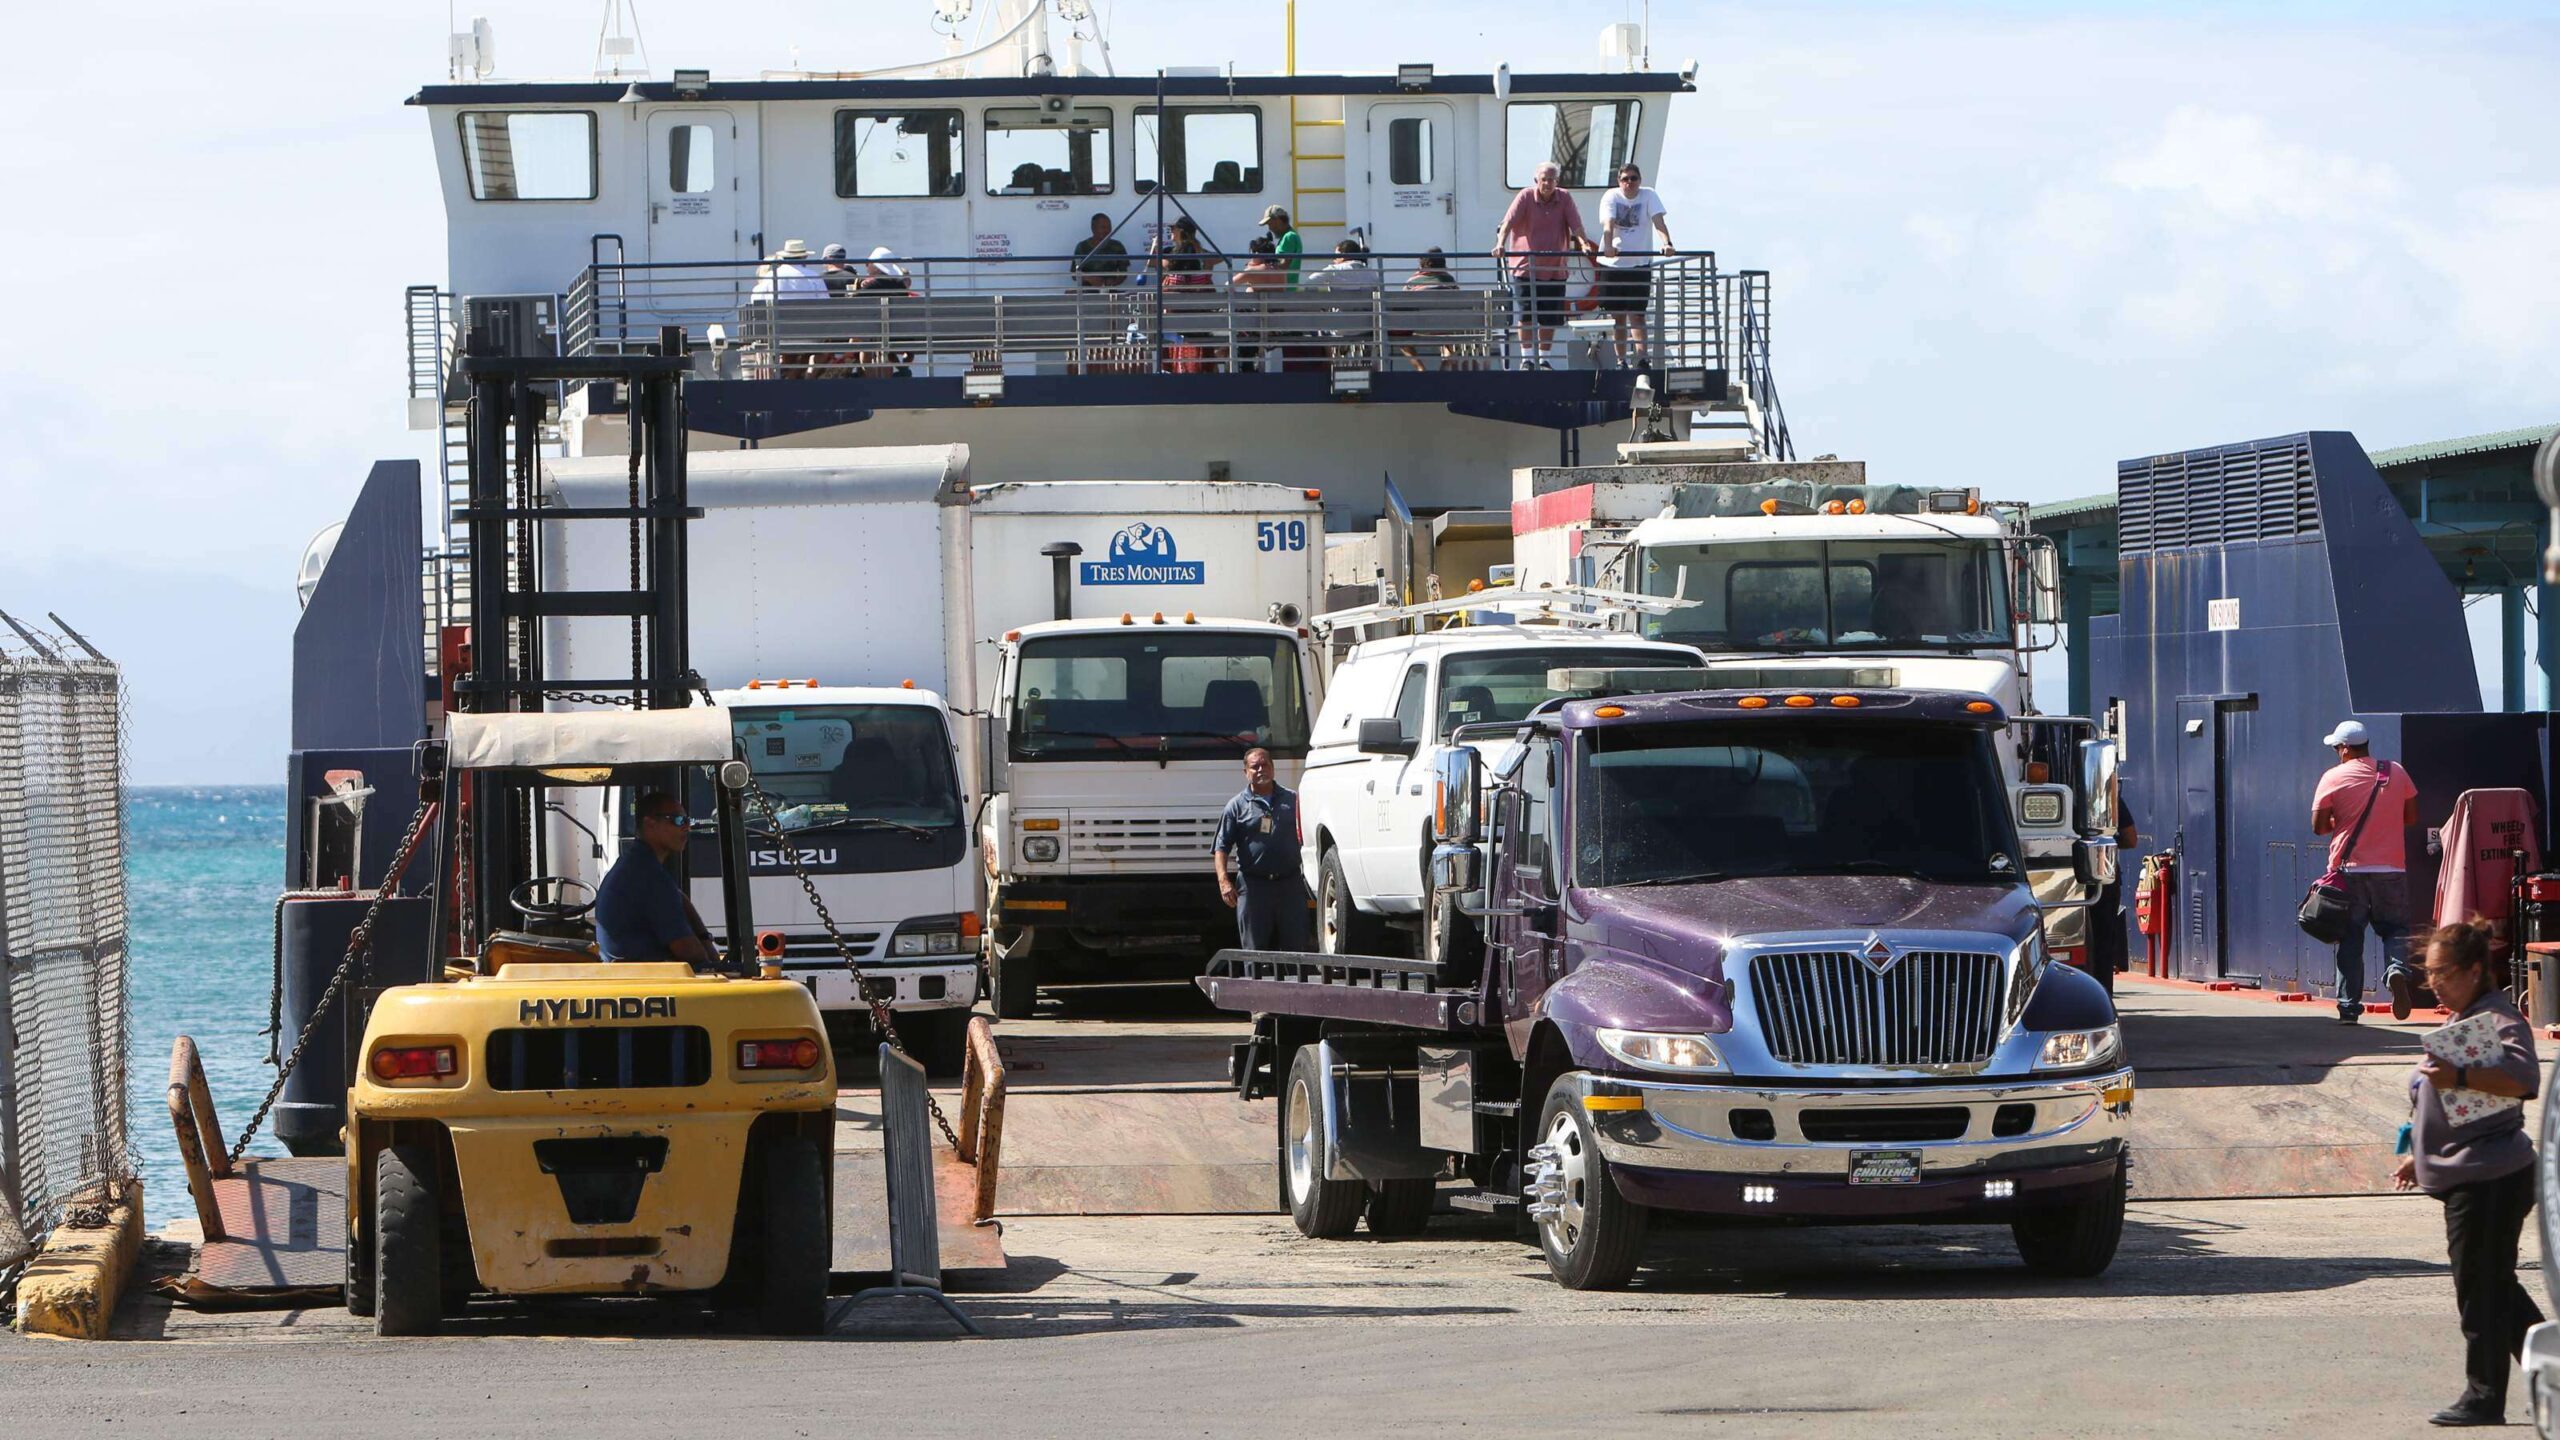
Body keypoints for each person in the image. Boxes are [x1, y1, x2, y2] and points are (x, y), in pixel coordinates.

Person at [2391, 919, 2543, 1427]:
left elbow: (2524, 1081)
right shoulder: (2466, 1017)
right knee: (2495, 1288)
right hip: (2469, 1173)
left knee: (2481, 1292)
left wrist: (2457, 1073)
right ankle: (2554, 1376)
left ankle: (2484, 1397)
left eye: (2443, 972)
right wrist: (2420, 1152)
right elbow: (2444, 1102)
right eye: (2428, 972)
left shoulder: (2499, 1019)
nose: (2432, 982)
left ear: (2475, 970)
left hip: (2492, 1177)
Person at [2312, 719, 2421, 1023]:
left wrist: (2341, 823)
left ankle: (2349, 1009)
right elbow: (2410, 816)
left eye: (2337, 747)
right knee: (2395, 929)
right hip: (2391, 869)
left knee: (2350, 938)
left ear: (2346, 748)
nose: (2337, 752)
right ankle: (2397, 970)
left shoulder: (2332, 778)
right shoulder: (2395, 772)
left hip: (2349, 871)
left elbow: (2319, 827)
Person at [593, 791, 720, 968]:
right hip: (643, 977)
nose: (686, 827)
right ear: (649, 824)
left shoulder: (637, 866)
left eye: (687, 821)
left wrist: (704, 936)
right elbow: (689, 951)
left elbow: (678, 898)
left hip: (635, 974)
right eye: (677, 820)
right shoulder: (647, 876)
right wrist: (712, 956)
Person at [1493, 161, 1591, 369]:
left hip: (1555, 268)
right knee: (1526, 314)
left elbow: (1576, 225)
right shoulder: (1526, 196)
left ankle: (1544, 359)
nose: (1547, 183)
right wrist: (1500, 244)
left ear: (1557, 181)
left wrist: (1583, 243)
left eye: (1551, 179)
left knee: (1550, 317)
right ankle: (1527, 359)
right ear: (1536, 180)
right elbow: (1507, 223)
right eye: (1544, 179)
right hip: (1525, 266)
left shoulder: (1564, 197)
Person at [1214, 748, 1312, 951]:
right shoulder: (1236, 806)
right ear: (1245, 772)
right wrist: (1224, 882)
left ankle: (1294, 984)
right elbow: (1221, 847)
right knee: (1254, 951)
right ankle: (1255, 984)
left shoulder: (1294, 800)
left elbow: (1310, 838)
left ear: (1273, 768)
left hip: (1290, 884)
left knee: (1297, 950)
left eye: (1264, 764)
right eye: (1254, 767)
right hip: (1253, 887)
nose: (1260, 770)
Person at [1595, 163, 1673, 367]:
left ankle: (1641, 358)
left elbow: (1658, 222)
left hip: (1639, 264)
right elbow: (1608, 223)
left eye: (1633, 178)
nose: (1629, 183)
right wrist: (1609, 246)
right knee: (1618, 317)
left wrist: (1667, 243)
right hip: (1613, 266)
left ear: (1640, 180)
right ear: (1619, 181)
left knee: (1637, 315)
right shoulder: (1611, 196)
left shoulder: (1649, 195)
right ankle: (1621, 359)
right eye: (1625, 179)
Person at [1150, 216, 1221, 289]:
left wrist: (1155, 247)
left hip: (1173, 297)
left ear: (1181, 231)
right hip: (1199, 296)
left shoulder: (1168, 254)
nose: (1170, 231)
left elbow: (1152, 263)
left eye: (1172, 228)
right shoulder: (1204, 255)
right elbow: (1222, 258)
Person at [1072, 212, 1130, 290]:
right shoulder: (1082, 247)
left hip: (1110, 292)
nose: (1107, 230)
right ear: (1093, 228)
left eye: (1109, 227)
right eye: (1103, 227)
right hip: (1087, 293)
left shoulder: (1117, 246)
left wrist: (1113, 282)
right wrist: (1090, 278)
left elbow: (1124, 273)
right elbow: (1074, 274)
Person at [1259, 204, 1304, 287]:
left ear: (1278, 220)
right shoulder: (1287, 236)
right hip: (1283, 288)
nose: (1269, 228)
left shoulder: (1289, 237)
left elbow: (1284, 265)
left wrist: (1260, 268)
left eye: (1270, 224)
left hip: (1284, 290)